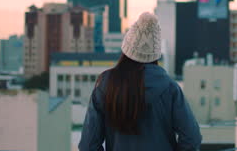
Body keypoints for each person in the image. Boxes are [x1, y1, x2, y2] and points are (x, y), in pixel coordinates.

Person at [79, 12, 202, 151]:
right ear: (155, 55)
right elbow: (192, 138)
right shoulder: (170, 88)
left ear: (126, 50)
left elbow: (88, 145)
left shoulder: (106, 85)